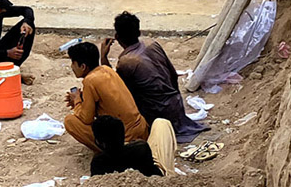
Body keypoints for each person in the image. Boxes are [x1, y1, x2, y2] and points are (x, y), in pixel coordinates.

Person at [105, 11, 208, 144]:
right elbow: (172, 74)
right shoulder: (152, 44)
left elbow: (115, 87)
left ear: (117, 36)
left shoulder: (127, 62)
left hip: (158, 113)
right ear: (139, 31)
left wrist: (103, 57)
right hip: (176, 105)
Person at [63, 41, 148, 153]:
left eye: (73, 63)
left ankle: (110, 153)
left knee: (70, 121)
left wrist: (77, 101)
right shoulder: (106, 69)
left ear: (83, 66)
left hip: (125, 138)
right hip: (141, 130)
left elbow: (86, 118)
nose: (72, 67)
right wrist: (81, 98)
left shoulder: (89, 81)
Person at [90, 114, 177, 177]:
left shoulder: (98, 162)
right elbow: (155, 174)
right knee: (161, 123)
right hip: (154, 180)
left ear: (99, 142)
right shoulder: (140, 148)